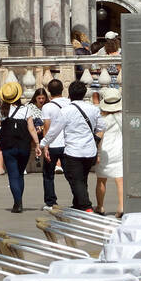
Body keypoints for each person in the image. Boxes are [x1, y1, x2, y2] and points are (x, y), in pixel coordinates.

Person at [43, 80, 101, 212]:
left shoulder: (66, 111)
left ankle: (86, 206)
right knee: (82, 178)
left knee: (76, 180)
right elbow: (101, 126)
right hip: (90, 150)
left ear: (69, 93)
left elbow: (53, 130)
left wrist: (43, 143)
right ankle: (79, 204)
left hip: (73, 150)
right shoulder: (93, 109)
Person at [0, 80, 43, 213]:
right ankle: (19, 201)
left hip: (8, 146)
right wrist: (37, 144)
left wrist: (1, 123)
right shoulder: (26, 109)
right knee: (20, 175)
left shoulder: (2, 110)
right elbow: (32, 129)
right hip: (24, 145)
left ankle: (18, 203)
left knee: (13, 175)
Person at [94, 88, 124, 218]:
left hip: (105, 151)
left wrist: (97, 153)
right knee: (120, 180)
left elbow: (98, 137)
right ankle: (121, 206)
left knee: (101, 180)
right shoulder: (123, 117)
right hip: (119, 150)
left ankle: (100, 206)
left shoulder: (102, 120)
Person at [39, 79, 66, 211]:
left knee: (48, 175)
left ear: (49, 91)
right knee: (73, 175)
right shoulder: (69, 103)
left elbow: (47, 127)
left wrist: (45, 146)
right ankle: (79, 200)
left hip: (53, 144)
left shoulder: (47, 106)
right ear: (62, 89)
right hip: (68, 144)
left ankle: (50, 202)